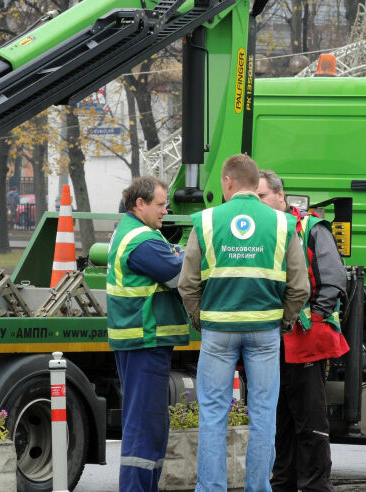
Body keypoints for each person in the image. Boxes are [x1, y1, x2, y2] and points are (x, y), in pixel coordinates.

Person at [178, 154, 309, 492]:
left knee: (212, 415)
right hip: (265, 332)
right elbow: (300, 287)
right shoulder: (282, 223)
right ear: (255, 183)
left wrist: (200, 320)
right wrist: (282, 322)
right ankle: (257, 488)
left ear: (228, 182)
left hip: (217, 330)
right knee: (264, 415)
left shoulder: (206, 221)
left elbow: (187, 284)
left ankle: (211, 488)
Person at [256, 170, 350, 492]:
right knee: (280, 424)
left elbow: (335, 279)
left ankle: (314, 486)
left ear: (281, 196)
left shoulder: (310, 228)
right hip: (272, 341)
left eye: (262, 196)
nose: (258, 203)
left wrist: (317, 317)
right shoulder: (259, 231)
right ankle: (283, 484)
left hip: (305, 340)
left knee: (310, 424)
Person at [106, 176, 189, 492]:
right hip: (145, 340)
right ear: (139, 204)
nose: (165, 210)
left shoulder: (132, 233)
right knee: (144, 426)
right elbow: (178, 275)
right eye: (160, 204)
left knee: (150, 425)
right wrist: (184, 255)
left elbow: (171, 259)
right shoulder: (142, 240)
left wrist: (175, 252)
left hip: (139, 340)